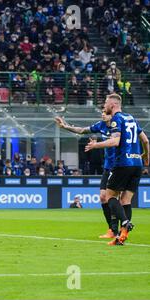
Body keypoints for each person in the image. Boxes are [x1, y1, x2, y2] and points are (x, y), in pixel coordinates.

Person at [85, 94, 150, 245]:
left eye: (106, 103)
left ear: (113, 105)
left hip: (123, 163)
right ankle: (121, 237)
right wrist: (146, 155)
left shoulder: (116, 119)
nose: (104, 106)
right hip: (137, 164)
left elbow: (115, 141)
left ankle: (125, 222)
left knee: (109, 197)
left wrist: (96, 145)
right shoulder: (131, 118)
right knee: (126, 200)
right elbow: (145, 140)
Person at [55, 109, 117, 238]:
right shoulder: (101, 125)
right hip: (107, 167)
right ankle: (112, 229)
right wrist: (65, 126)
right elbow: (82, 130)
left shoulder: (119, 126)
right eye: (102, 112)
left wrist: (96, 145)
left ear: (112, 115)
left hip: (119, 165)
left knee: (118, 199)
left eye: (105, 112)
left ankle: (121, 229)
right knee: (102, 197)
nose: (102, 114)